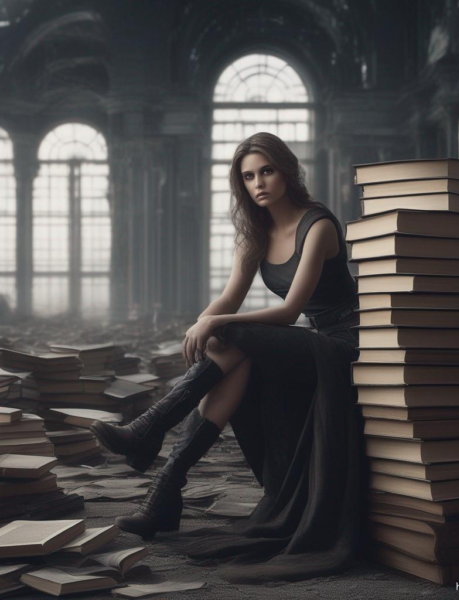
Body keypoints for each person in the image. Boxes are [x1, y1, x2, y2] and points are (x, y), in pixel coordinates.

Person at [90, 132, 367, 583]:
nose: (259, 183)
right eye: (249, 176)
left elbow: (290, 311)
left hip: (346, 344)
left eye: (267, 171)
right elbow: (227, 299)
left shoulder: (317, 225)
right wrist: (202, 323)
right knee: (235, 351)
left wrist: (217, 324)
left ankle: (152, 434)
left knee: (233, 335)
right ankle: (167, 484)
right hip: (312, 343)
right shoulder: (255, 233)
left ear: (287, 170)